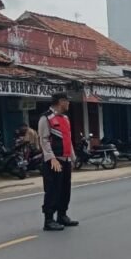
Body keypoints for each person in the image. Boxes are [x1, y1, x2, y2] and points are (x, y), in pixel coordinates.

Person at [38, 93, 78, 232]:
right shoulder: (46, 118)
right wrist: (51, 158)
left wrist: (72, 158)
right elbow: (44, 140)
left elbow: (68, 140)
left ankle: (62, 215)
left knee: (65, 190)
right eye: (67, 101)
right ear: (61, 102)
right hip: (53, 161)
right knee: (52, 190)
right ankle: (48, 220)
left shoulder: (65, 118)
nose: (69, 104)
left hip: (65, 160)